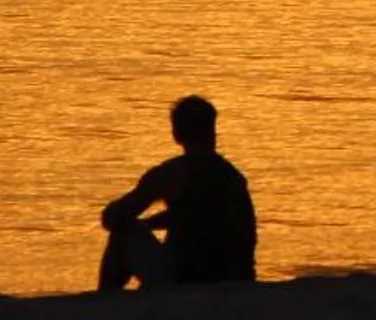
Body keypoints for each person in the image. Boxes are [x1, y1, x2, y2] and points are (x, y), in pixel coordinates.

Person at [96, 95, 257, 290]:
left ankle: (105, 300)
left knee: (122, 233)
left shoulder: (171, 173)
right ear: (213, 130)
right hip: (237, 277)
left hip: (186, 278)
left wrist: (136, 224)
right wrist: (149, 224)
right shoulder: (233, 177)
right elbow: (201, 216)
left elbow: (113, 217)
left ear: (176, 134)